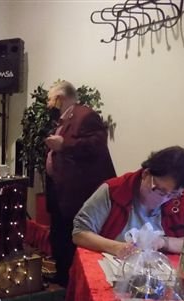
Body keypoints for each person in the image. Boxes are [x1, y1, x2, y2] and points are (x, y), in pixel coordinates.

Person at [73, 146, 184, 256]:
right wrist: (116, 247)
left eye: (173, 194)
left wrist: (165, 242)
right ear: (145, 174)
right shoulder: (114, 190)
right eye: (159, 190)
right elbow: (80, 233)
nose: (163, 199)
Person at [44, 80, 116, 286]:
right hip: (61, 189)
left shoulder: (85, 116)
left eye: (51, 99)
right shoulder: (63, 119)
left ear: (61, 98)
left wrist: (64, 144)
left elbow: (97, 145)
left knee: (71, 234)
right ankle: (62, 274)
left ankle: (73, 280)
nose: (49, 104)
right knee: (59, 233)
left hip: (78, 192)